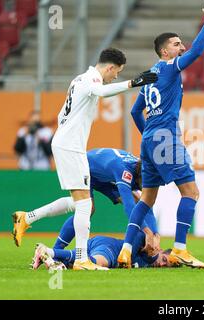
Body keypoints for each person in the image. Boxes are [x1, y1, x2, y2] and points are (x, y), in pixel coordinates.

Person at [12, 48, 158, 271]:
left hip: (68, 144)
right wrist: (133, 83)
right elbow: (102, 91)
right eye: (117, 72)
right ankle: (81, 259)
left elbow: (63, 115)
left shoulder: (78, 79)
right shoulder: (92, 80)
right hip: (70, 146)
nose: (116, 76)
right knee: (83, 205)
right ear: (110, 68)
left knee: (81, 204)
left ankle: (28, 217)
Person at [117, 5, 204, 269]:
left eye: (181, 42)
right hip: (166, 137)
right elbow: (197, 52)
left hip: (149, 139)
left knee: (148, 199)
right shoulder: (170, 67)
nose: (181, 46)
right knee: (191, 192)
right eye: (176, 43)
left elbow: (135, 110)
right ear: (165, 51)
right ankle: (181, 249)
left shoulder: (150, 76)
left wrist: (150, 136)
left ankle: (126, 250)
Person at [12, 148, 157, 252]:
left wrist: (155, 234)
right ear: (140, 176)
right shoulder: (124, 171)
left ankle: (30, 221)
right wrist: (147, 232)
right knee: (87, 207)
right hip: (83, 167)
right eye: (145, 182)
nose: (147, 186)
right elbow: (130, 207)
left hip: (100, 175)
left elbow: (145, 205)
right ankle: (54, 249)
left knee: (137, 202)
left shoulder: (137, 169)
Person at [31, 214, 179, 270]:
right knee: (97, 263)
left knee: (73, 264)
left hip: (99, 243)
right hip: (110, 249)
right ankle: (47, 251)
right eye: (164, 259)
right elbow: (140, 230)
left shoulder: (149, 264)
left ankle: (51, 257)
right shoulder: (147, 246)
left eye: (166, 265)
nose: (162, 264)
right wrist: (150, 235)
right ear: (160, 250)